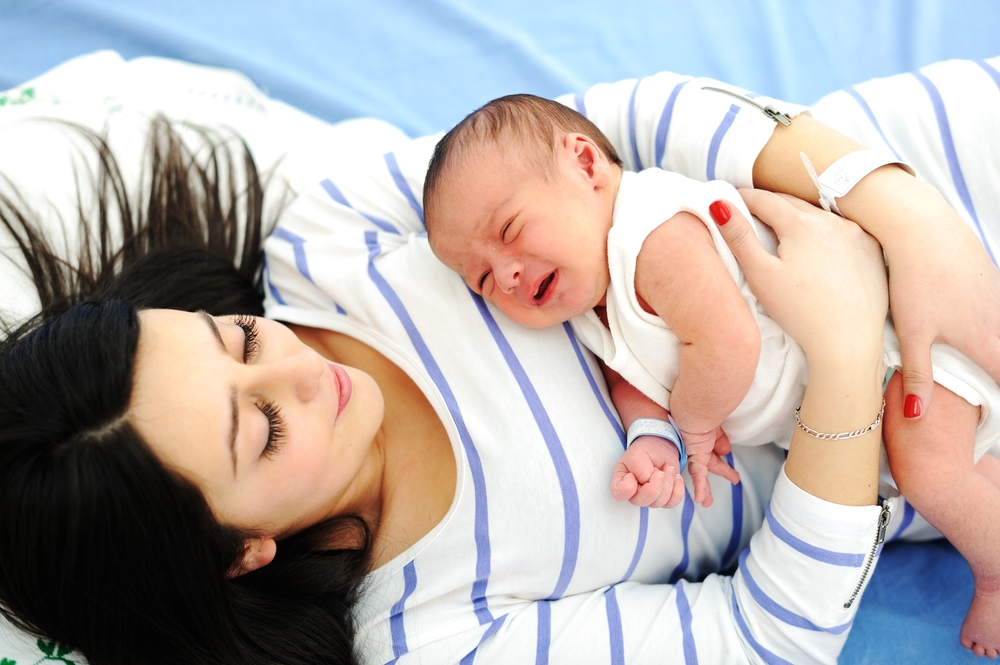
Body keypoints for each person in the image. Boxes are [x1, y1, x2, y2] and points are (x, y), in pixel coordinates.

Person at [0, 57, 997, 664]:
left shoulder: (328, 239)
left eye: (242, 339)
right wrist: (835, 349)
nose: (304, 372)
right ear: (240, 550)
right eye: (262, 428)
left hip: (933, 153)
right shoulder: (438, 630)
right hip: (947, 427)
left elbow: (606, 130)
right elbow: (765, 636)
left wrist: (903, 215)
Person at [420, 91, 1000, 653]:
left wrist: (693, 426)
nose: (508, 275)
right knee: (963, 477)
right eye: (483, 280)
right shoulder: (597, 305)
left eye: (510, 231)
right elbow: (634, 377)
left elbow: (727, 342)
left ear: (584, 163)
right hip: (864, 389)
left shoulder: (651, 233)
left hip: (904, 354)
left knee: (930, 473)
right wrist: (650, 436)